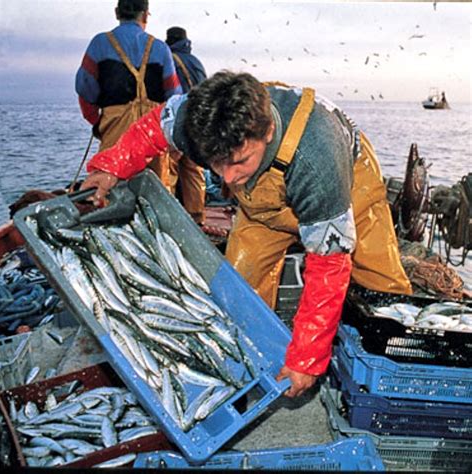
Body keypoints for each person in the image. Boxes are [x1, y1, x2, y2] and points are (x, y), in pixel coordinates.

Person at [82, 71, 412, 397]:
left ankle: (400, 376)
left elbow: (328, 264)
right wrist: (110, 167)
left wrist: (307, 358)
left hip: (347, 183)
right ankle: (250, 371)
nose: (228, 177)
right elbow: (153, 127)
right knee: (239, 293)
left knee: (380, 283)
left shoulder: (317, 160)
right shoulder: (199, 121)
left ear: (267, 131)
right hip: (262, 203)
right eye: (216, 163)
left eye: (238, 161)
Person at [75, 0, 182, 181]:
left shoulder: (100, 43)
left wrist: (100, 122)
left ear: (117, 13)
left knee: (110, 189)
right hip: (154, 130)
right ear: (145, 15)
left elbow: (85, 89)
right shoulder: (160, 48)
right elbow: (174, 96)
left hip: (114, 126)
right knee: (156, 193)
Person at [164, 27, 207, 225]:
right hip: (197, 123)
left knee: (169, 169)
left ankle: (171, 219)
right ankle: (197, 218)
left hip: (177, 122)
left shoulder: (167, 58)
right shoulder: (196, 62)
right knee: (193, 170)